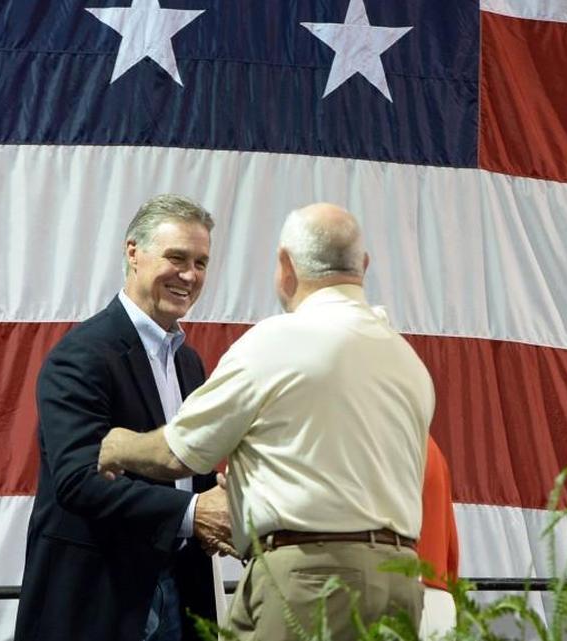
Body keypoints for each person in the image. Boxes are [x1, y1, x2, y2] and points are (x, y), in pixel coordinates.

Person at [98, 202, 436, 640]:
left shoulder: (277, 342)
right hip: (400, 578)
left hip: (312, 580)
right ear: (363, 266)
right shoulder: (405, 358)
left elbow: (176, 453)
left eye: (198, 262)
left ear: (285, 266)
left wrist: (115, 445)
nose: (190, 272)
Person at [14, 194, 226, 641]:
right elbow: (79, 480)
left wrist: (223, 499)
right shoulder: (81, 355)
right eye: (177, 258)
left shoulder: (189, 363)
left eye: (201, 263)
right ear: (134, 252)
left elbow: (190, 468)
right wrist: (193, 512)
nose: (189, 275)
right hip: (101, 600)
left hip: (180, 589)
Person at [416, 437, 459, 639]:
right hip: (440, 599)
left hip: (405, 591)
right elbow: (451, 545)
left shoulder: (393, 439)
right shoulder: (434, 451)